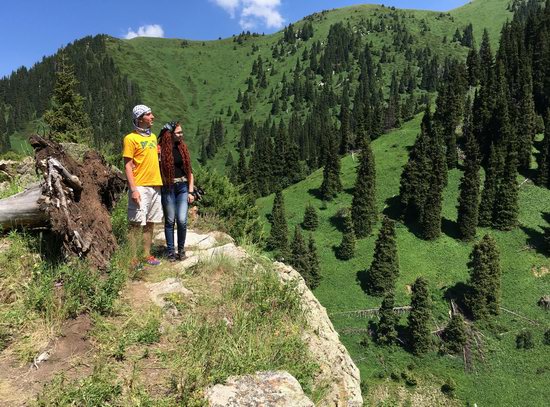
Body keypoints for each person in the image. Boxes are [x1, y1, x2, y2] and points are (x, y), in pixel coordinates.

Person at [122, 104, 163, 266]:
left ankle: (146, 255)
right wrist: (133, 189)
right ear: (140, 119)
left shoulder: (152, 138)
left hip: (155, 185)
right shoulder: (130, 138)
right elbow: (127, 165)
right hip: (140, 186)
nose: (152, 117)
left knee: (151, 222)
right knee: (136, 223)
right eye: (148, 114)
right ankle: (132, 258)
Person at [158, 121, 194, 261]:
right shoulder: (160, 150)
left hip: (183, 187)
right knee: (170, 220)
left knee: (182, 220)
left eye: (181, 132)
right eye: (178, 132)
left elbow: (190, 171)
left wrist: (191, 191)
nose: (181, 135)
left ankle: (181, 250)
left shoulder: (182, 148)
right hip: (168, 187)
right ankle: (171, 252)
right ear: (170, 135)